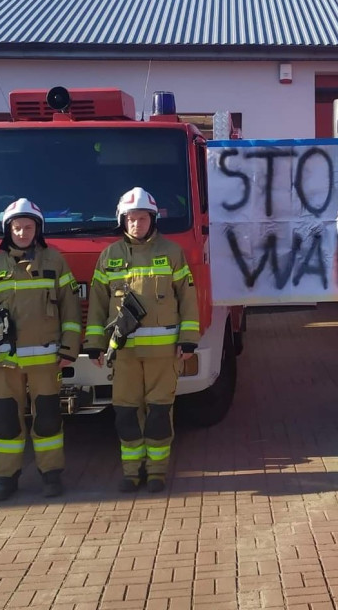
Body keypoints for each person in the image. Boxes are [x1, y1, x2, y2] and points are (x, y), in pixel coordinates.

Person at [84, 187, 200, 494]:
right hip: (124, 354)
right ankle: (132, 472)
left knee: (160, 413)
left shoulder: (172, 253)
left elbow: (188, 299)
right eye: (132, 219)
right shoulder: (109, 256)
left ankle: (158, 472)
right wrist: (94, 343)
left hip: (163, 352)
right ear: (122, 220)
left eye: (143, 218)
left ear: (153, 220)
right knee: (125, 412)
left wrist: (188, 340)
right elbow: (97, 304)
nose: (137, 224)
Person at [0, 198, 81, 501]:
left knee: (47, 420)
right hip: (4, 363)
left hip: (45, 360)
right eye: (17, 227)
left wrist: (69, 348)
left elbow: (70, 310)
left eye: (28, 227)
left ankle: (51, 475)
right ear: (8, 229)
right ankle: (6, 478)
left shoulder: (54, 262)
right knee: (5, 421)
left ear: (37, 229)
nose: (22, 232)